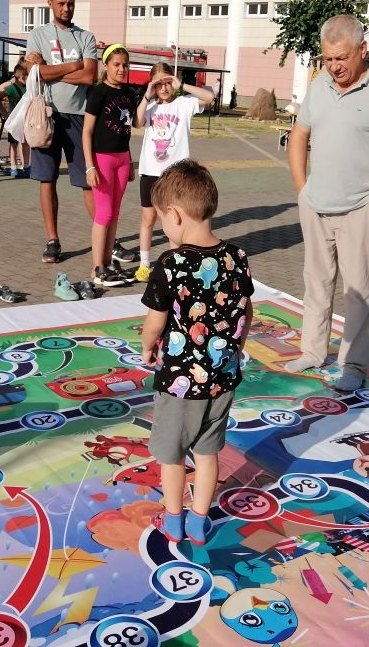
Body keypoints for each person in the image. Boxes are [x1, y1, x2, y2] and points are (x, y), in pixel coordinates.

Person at [285, 14, 369, 392]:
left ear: (363, 50)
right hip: (316, 205)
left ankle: (354, 365)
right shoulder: (319, 85)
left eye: (341, 58)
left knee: (359, 291)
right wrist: (302, 190)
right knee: (316, 282)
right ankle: (312, 351)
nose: (334, 67)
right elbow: (299, 136)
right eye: (328, 59)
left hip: (361, 208)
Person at [140, 159, 254, 545]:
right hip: (223, 377)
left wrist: (146, 346)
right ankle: (200, 520)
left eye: (161, 219)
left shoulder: (170, 264)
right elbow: (246, 309)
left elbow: (156, 321)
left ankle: (174, 519)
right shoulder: (237, 257)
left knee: (171, 455)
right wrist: (236, 346)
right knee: (208, 453)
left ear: (173, 214)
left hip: (179, 383)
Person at [25, 0, 98, 264]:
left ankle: (105, 236)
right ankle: (53, 240)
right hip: (47, 115)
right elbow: (32, 73)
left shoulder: (85, 37)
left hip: (79, 117)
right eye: (61, 4)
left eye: (71, 4)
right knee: (47, 179)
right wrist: (72, 66)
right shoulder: (38, 35)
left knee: (88, 182)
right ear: (50, 4)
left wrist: (48, 71)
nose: (66, 8)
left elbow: (90, 76)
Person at [134, 62, 216, 282]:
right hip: (151, 172)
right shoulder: (150, 107)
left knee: (175, 220)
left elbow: (210, 98)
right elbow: (137, 122)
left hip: (176, 175)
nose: (164, 88)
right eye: (158, 83)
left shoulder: (184, 103)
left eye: (167, 82)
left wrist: (183, 85)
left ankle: (175, 263)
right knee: (148, 218)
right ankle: (144, 264)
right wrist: (147, 94)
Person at [82, 44, 139, 287]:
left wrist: (130, 160)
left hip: (122, 159)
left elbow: (129, 128)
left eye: (125, 65)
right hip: (102, 159)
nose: (121, 69)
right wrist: (89, 166)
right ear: (106, 65)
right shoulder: (98, 92)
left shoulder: (128, 92)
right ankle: (97, 268)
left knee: (114, 214)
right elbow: (87, 131)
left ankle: (107, 263)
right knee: (103, 213)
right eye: (116, 64)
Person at [0, 61, 30, 178]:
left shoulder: (28, 87)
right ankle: (14, 167)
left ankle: (25, 166)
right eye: (26, 76)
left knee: (24, 143)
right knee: (14, 144)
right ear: (21, 77)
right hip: (15, 120)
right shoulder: (12, 88)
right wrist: (4, 112)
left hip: (25, 119)